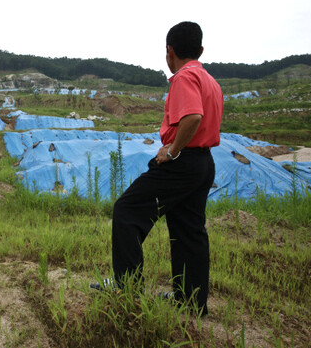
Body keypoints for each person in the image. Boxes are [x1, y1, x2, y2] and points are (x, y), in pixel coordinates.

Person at [92, 21, 223, 316]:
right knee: (189, 230)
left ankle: (127, 288)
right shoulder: (210, 81)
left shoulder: (183, 77)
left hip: (184, 162)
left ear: (169, 51)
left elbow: (192, 117)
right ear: (200, 50)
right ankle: (191, 301)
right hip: (204, 162)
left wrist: (173, 151)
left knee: (127, 211)